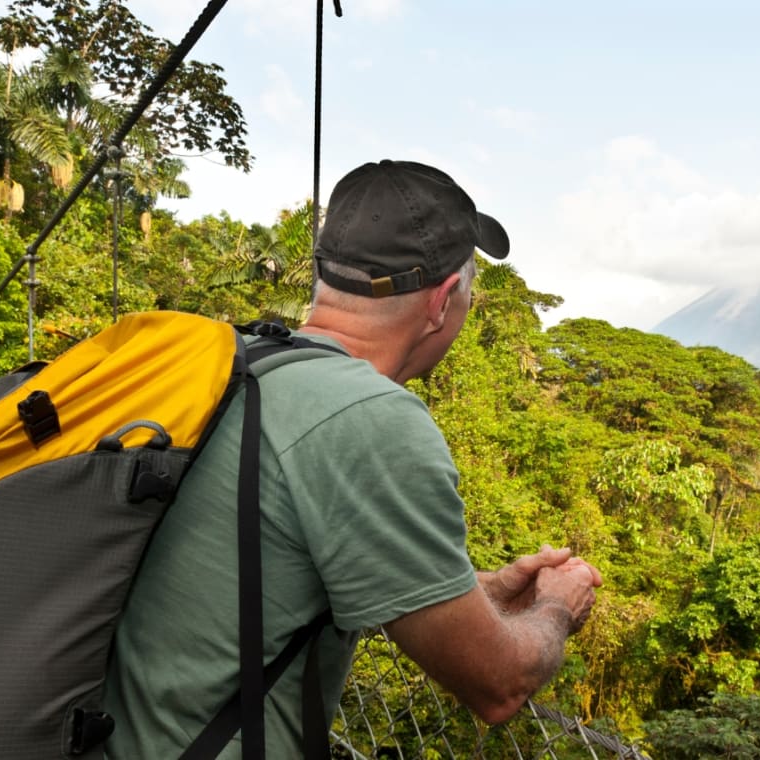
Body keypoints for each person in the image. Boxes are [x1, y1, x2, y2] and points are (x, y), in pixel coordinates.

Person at [104, 159, 602, 757]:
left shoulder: (238, 363)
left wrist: (489, 591)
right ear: (444, 302)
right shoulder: (368, 418)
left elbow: (285, 567)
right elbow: (497, 685)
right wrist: (556, 606)